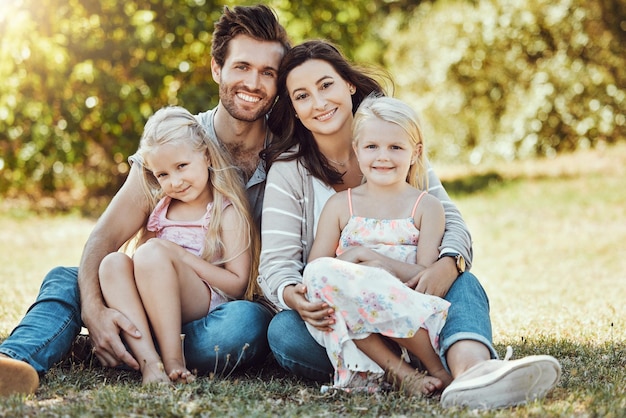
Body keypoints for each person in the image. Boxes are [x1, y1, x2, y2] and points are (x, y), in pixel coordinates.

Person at [0, 4, 290, 397]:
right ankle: (15, 363)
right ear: (216, 68)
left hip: (215, 313)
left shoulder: (286, 156)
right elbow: (104, 240)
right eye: (242, 66)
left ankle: (135, 346)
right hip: (142, 290)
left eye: (267, 72)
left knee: (244, 325)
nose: (253, 82)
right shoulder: (175, 143)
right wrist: (95, 310)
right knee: (68, 279)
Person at [258, 40, 561, 409]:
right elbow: (276, 266)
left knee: (463, 282)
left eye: (326, 85)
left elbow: (452, 224)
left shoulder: (393, 139)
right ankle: (403, 370)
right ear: (293, 107)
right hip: (347, 318)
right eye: (302, 96)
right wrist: (295, 297)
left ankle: (473, 373)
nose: (319, 103)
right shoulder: (291, 172)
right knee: (285, 332)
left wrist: (445, 266)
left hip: (414, 294)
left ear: (349, 84)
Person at [303, 95, 452, 396]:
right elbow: (315, 269)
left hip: (409, 310)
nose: (383, 156)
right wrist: (357, 260)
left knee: (368, 284)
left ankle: (435, 366)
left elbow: (423, 272)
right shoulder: (340, 205)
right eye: (372, 146)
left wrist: (376, 263)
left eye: (395, 147)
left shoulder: (426, 206)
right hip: (356, 314)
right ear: (357, 150)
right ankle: (401, 374)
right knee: (329, 280)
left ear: (415, 153)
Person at [99, 106, 258, 384]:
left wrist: (180, 256)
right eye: (162, 175)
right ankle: (150, 362)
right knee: (112, 262)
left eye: (181, 166)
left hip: (202, 300)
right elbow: (143, 266)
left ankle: (174, 361)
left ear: (205, 155)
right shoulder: (161, 210)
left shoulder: (225, 210)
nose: (175, 182)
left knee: (153, 253)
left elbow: (237, 284)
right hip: (156, 301)